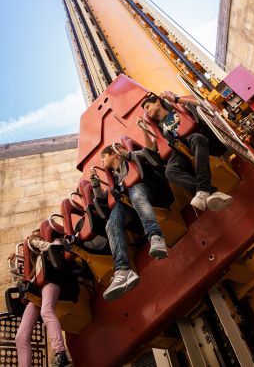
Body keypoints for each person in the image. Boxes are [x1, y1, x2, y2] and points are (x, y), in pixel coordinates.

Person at [90, 143, 168, 302]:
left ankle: (156, 237)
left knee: (136, 193)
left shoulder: (128, 159)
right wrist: (95, 183)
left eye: (103, 157)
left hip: (145, 189)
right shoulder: (114, 177)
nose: (102, 161)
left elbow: (148, 154)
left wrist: (127, 154)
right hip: (127, 202)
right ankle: (123, 270)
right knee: (110, 224)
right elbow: (103, 197)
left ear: (112, 154)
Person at [139, 91, 233, 212]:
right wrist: (143, 129)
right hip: (177, 149)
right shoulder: (158, 129)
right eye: (145, 110)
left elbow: (201, 104)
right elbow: (152, 149)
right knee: (170, 171)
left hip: (190, 137)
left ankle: (204, 191)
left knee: (198, 139)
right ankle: (208, 191)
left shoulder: (176, 110)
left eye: (147, 107)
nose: (146, 111)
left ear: (157, 102)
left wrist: (176, 99)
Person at [15, 229, 71, 367]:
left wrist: (34, 242)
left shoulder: (53, 243)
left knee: (46, 311)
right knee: (20, 337)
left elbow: (55, 248)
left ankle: (60, 353)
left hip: (51, 282)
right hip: (38, 290)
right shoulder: (35, 264)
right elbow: (27, 280)